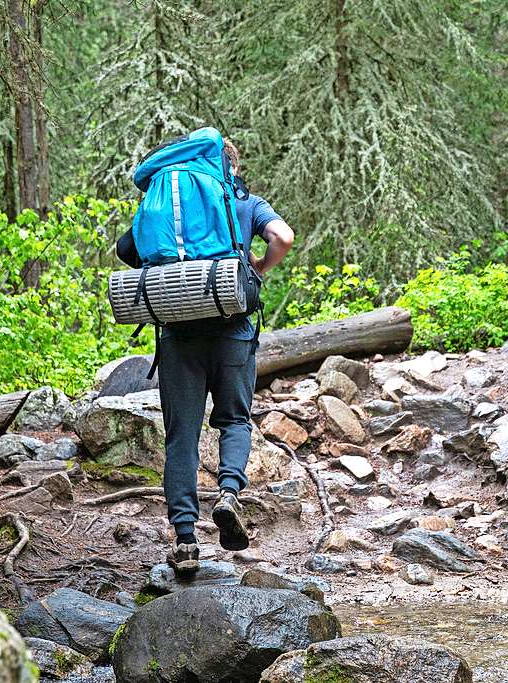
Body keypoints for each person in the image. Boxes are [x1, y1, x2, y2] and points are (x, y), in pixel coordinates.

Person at [159, 139, 294, 574]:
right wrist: (257, 267)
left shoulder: (166, 205)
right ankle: (229, 493)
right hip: (233, 329)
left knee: (181, 436)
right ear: (231, 168)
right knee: (234, 420)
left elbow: (128, 251)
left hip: (180, 336)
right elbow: (283, 237)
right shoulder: (246, 203)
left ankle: (184, 540)